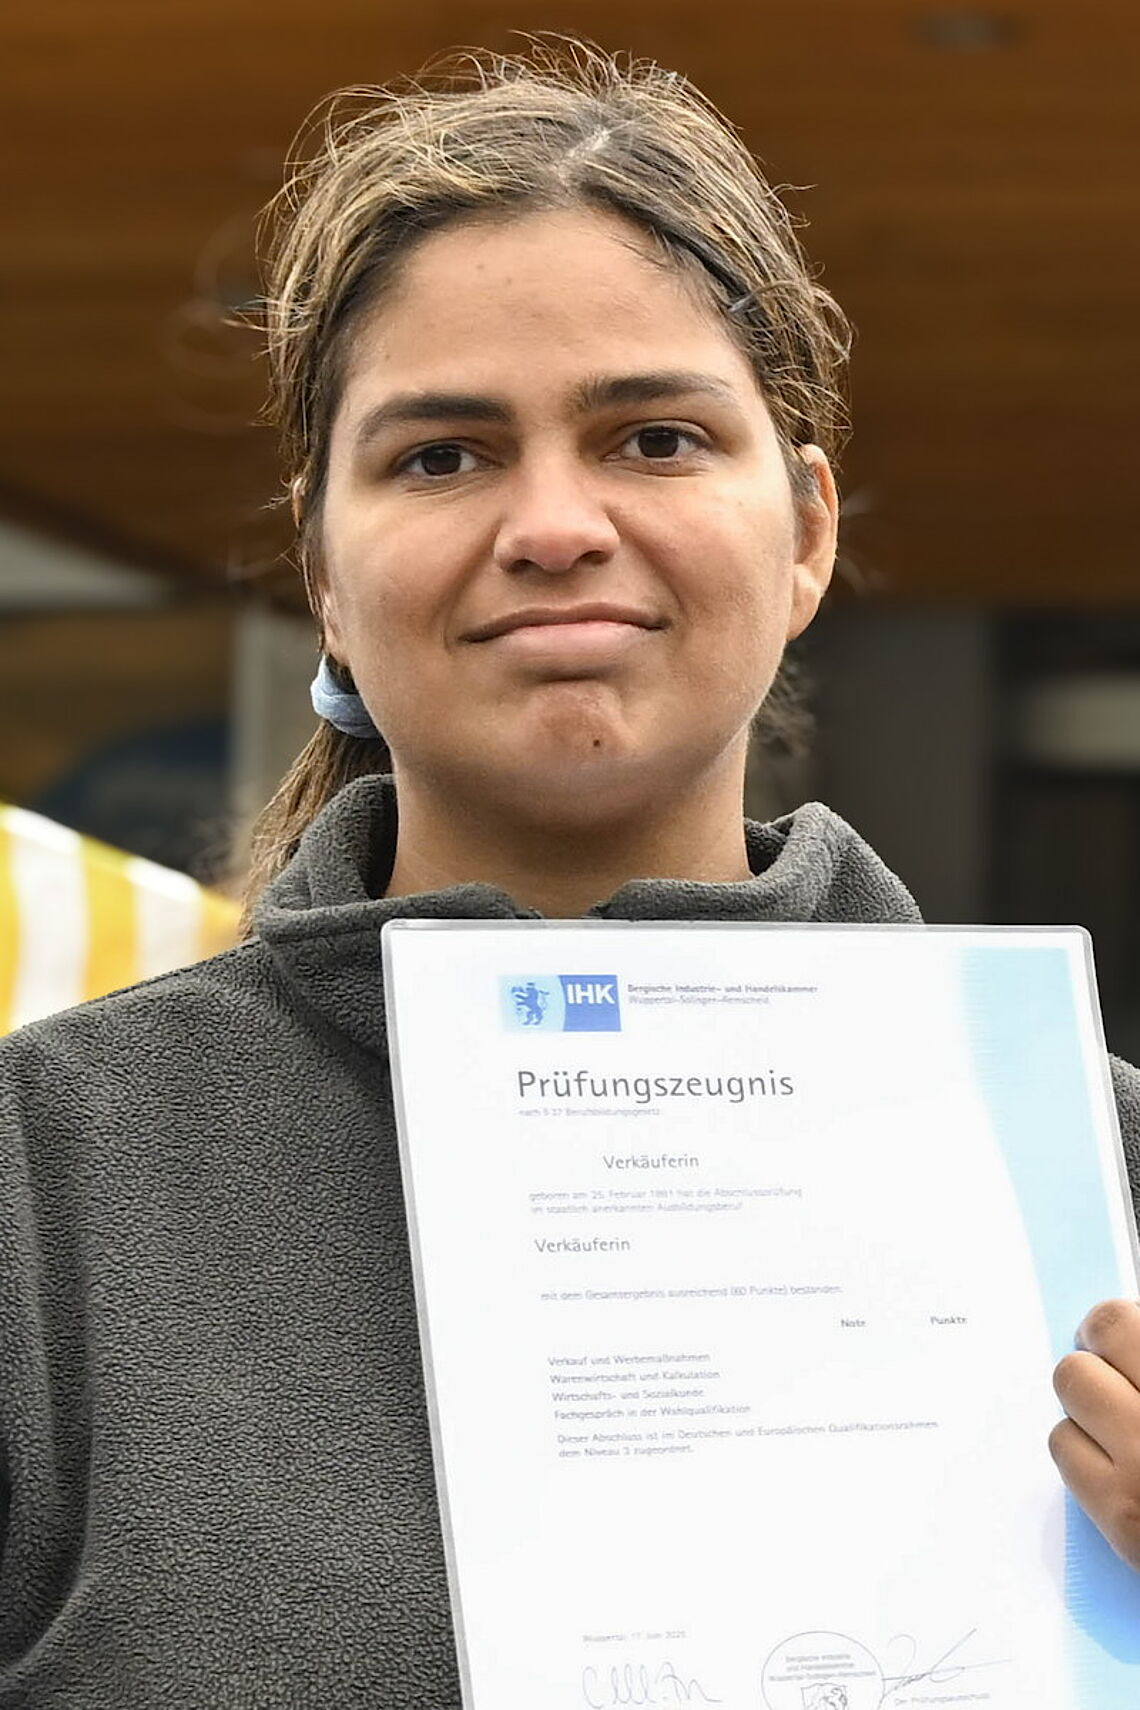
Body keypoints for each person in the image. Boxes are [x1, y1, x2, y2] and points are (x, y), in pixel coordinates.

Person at [1, 41, 1139, 1705]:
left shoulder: (1102, 1167)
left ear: (807, 529)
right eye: (442, 455)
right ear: (324, 576)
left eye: (655, 437)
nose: (553, 523)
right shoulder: (44, 1179)